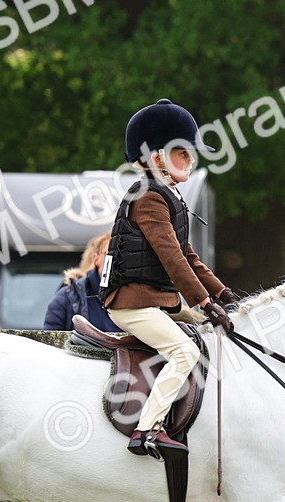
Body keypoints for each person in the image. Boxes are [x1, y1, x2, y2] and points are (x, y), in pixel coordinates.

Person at [101, 99, 240, 457]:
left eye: (192, 154)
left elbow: (190, 257)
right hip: (133, 303)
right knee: (185, 351)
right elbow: (172, 258)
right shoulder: (147, 197)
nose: (191, 160)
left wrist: (224, 295)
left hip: (156, 300)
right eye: (182, 152)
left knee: (210, 332)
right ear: (156, 157)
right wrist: (204, 302)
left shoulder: (168, 195)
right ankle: (146, 428)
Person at [43, 232, 121, 332]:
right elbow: (50, 340)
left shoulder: (139, 295)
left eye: (123, 255)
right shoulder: (68, 296)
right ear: (96, 259)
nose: (117, 260)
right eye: (110, 254)